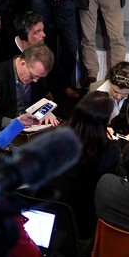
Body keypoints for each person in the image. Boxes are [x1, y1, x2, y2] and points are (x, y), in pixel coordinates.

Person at [34, 91, 122, 242]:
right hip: (82, 224)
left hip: (44, 217)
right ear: (104, 120)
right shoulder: (108, 151)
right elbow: (115, 178)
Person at [0, 43, 58, 137]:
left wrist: (45, 112)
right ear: (23, 64)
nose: (35, 81)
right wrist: (12, 122)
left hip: (31, 129)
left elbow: (40, 101)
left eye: (40, 78)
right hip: (1, 132)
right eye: (33, 76)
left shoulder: (37, 74)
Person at [89, 62, 129, 138]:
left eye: (125, 94)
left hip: (128, 136)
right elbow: (86, 119)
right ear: (110, 82)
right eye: (115, 91)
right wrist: (101, 129)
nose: (119, 97)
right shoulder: (95, 89)